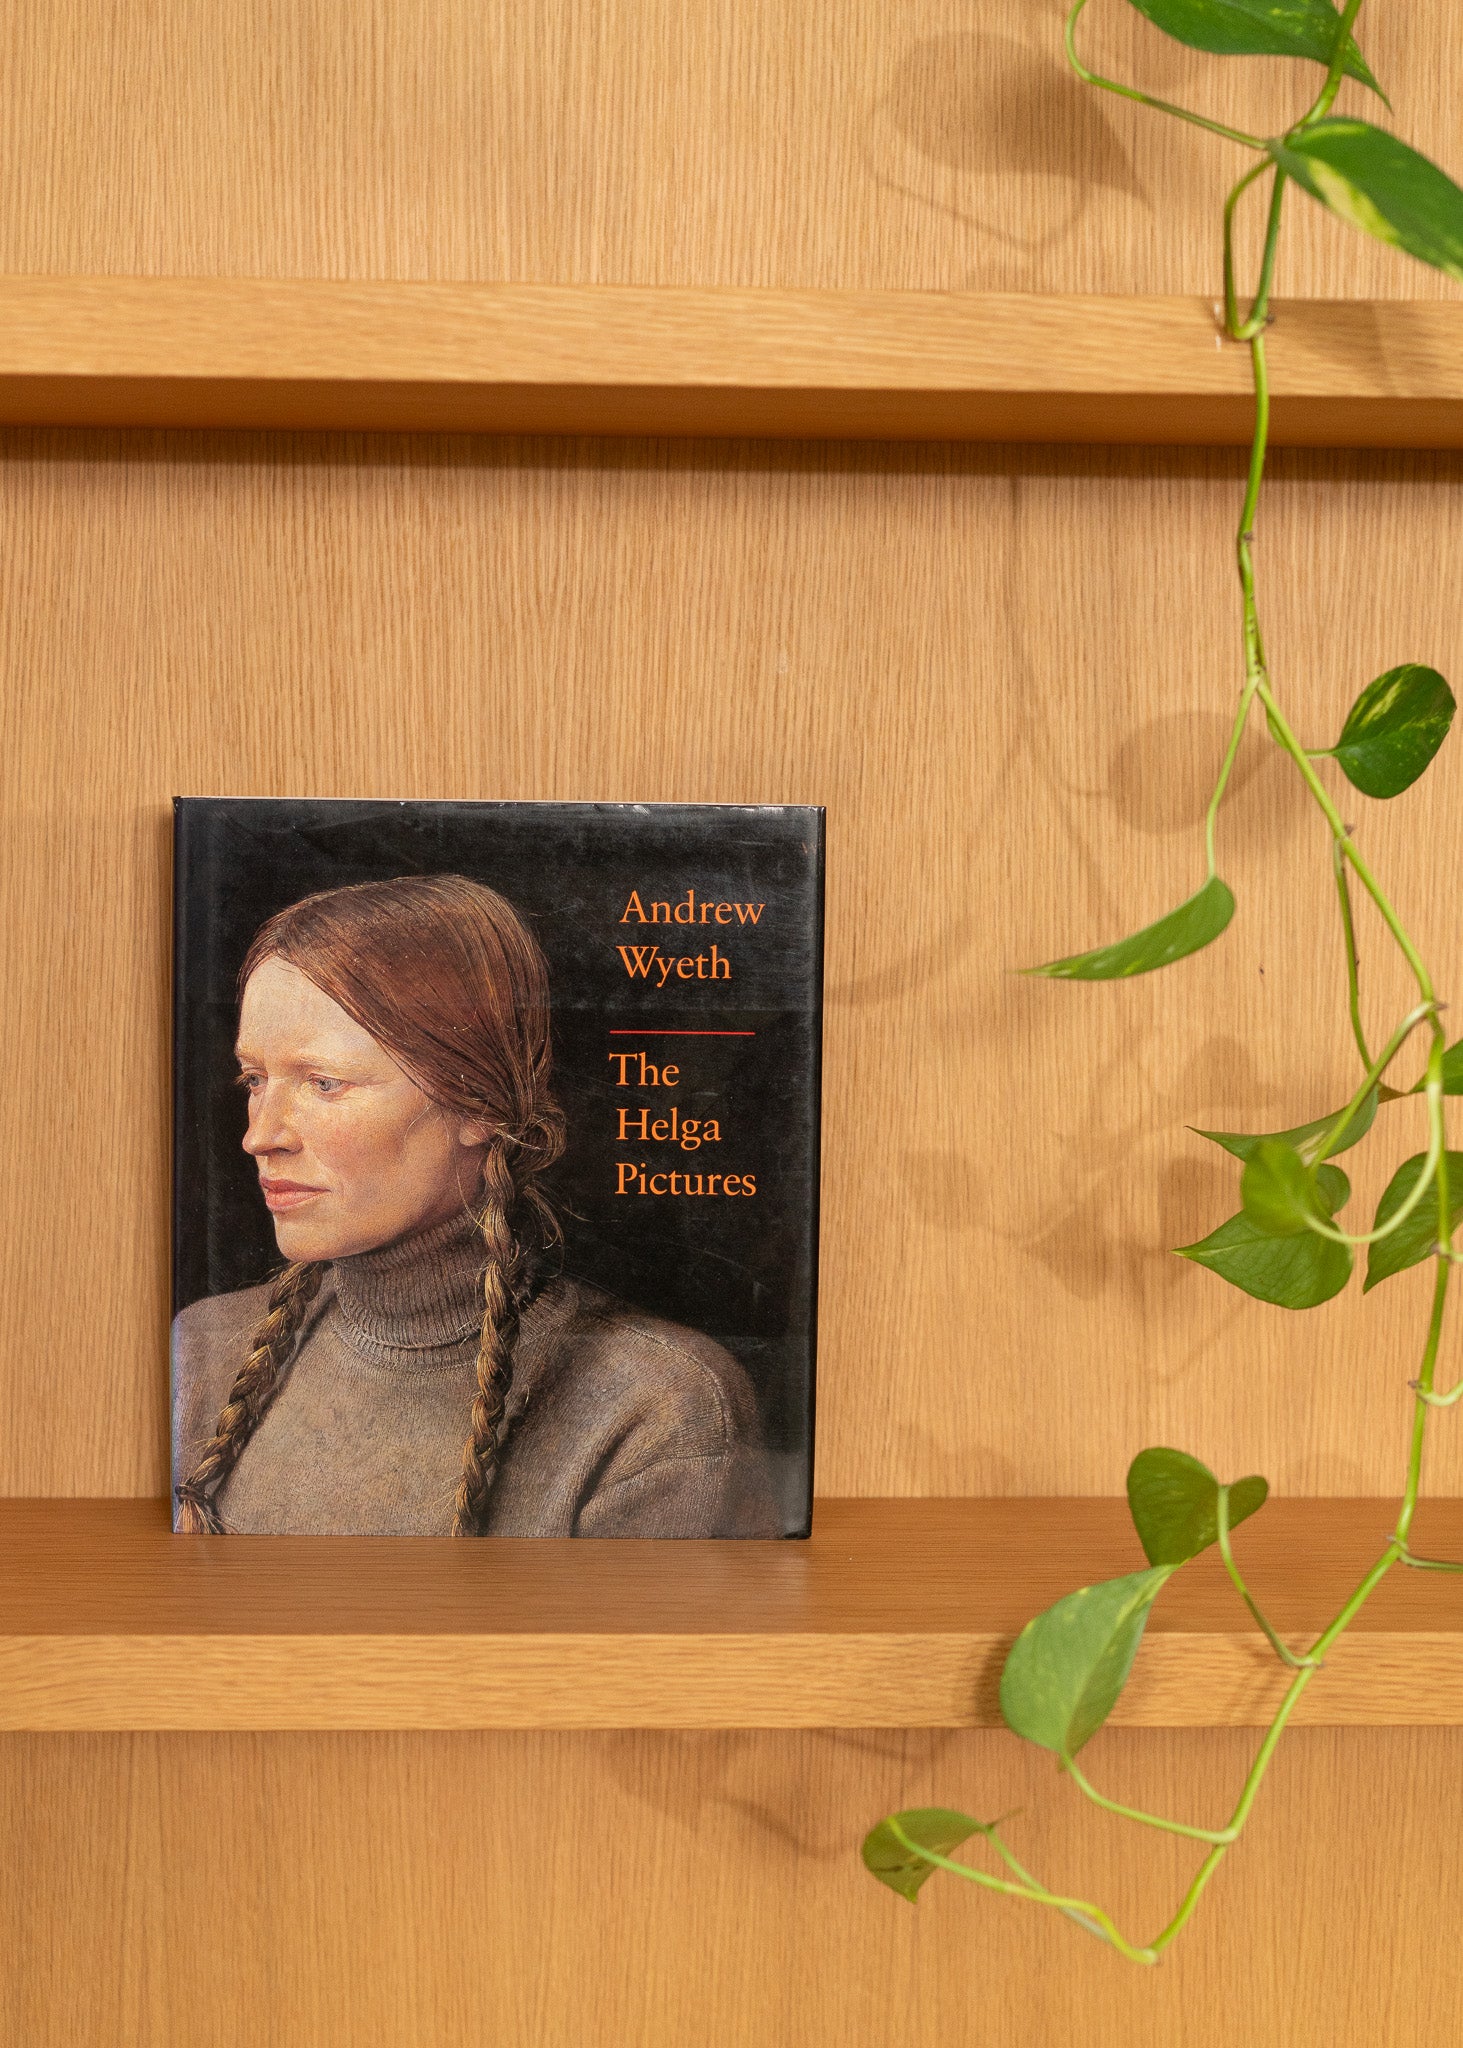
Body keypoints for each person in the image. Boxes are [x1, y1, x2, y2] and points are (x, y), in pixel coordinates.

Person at [172, 874, 779, 1537]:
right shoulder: (203, 1351)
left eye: (324, 1083)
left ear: (478, 1103)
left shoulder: (656, 1406)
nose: (260, 1136)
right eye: (255, 1080)